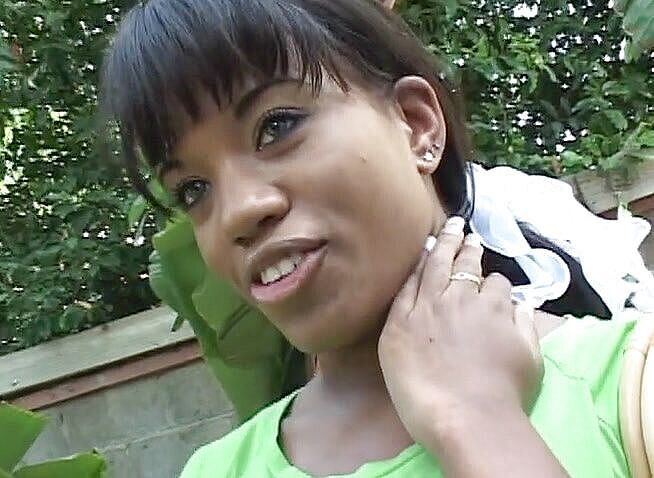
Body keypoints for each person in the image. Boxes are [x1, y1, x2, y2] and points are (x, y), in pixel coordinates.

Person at [101, 0, 654, 476]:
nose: (237, 214)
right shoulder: (217, 470)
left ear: (416, 125)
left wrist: (477, 420)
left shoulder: (629, 382)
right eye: (194, 189)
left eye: (277, 126)